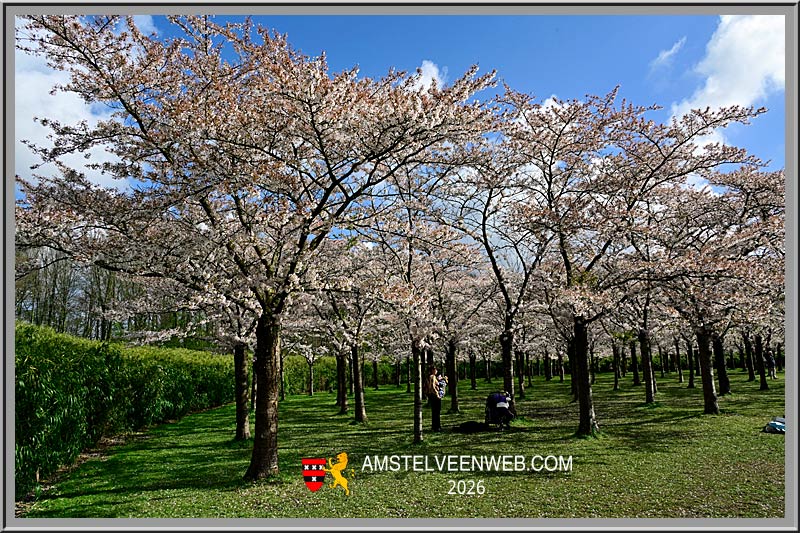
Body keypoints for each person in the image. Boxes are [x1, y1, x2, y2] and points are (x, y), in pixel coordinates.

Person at [426, 365, 442, 432]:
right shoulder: (432, 377)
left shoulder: (430, 377)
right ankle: (437, 427)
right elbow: (432, 386)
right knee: (436, 412)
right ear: (432, 370)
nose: (436, 371)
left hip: (432, 396)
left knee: (435, 412)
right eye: (435, 370)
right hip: (434, 396)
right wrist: (437, 394)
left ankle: (434, 426)